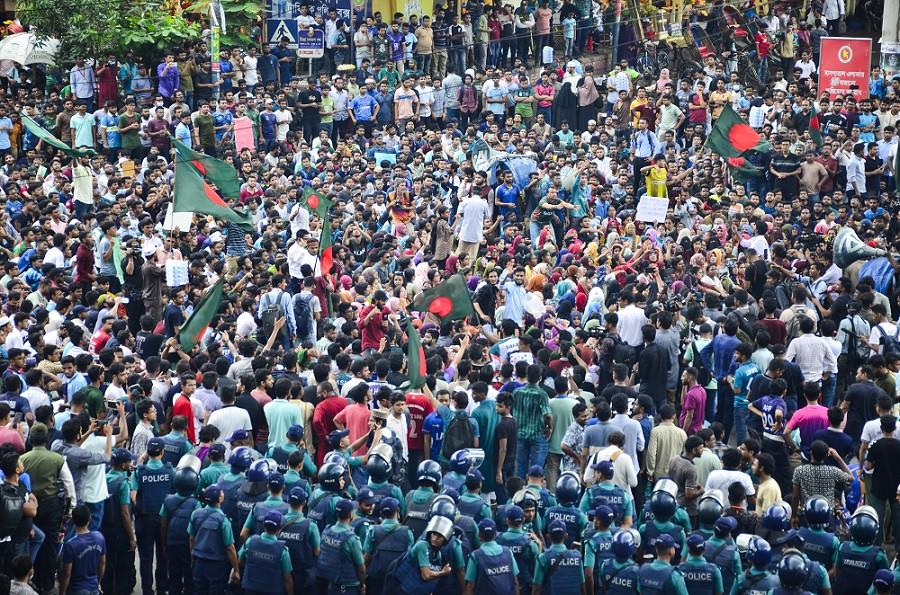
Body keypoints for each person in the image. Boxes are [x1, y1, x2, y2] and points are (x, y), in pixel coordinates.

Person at [60, 504, 106, 595]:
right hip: (94, 587)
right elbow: (102, 564)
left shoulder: (71, 545)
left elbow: (66, 573)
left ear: (73, 520)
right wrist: (98, 582)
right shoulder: (99, 538)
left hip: (76, 589)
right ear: (89, 519)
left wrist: (62, 592)